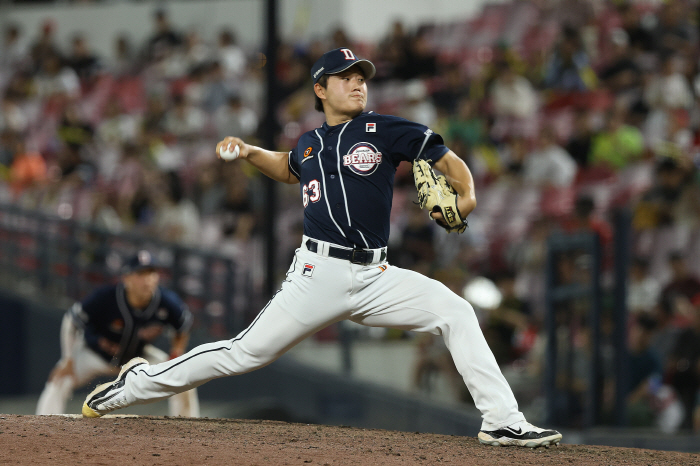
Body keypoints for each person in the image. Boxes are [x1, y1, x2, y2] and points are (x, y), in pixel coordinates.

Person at [82, 48, 561, 448]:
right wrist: (250, 153)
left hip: (376, 276)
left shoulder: (385, 129)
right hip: (317, 273)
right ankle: (136, 384)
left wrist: (469, 195)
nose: (357, 84)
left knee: (455, 311)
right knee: (242, 353)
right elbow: (288, 166)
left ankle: (501, 418)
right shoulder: (309, 143)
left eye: (361, 78)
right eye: (345, 78)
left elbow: (448, 160)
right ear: (320, 89)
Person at [37, 250, 199, 417]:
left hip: (137, 359)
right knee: (59, 379)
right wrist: (67, 359)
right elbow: (71, 321)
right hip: (95, 355)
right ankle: (43, 427)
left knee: (182, 377)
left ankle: (188, 431)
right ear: (126, 278)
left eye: (151, 273)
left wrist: (176, 353)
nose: (148, 279)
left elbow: (183, 327)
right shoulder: (106, 297)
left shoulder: (167, 301)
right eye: (141, 274)